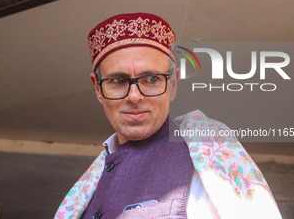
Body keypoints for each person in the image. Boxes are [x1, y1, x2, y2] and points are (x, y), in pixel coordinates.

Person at [54, 13, 282, 219]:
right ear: (97, 89)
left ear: (173, 85)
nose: (134, 96)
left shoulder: (207, 166)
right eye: (118, 81)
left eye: (151, 79)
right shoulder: (83, 196)